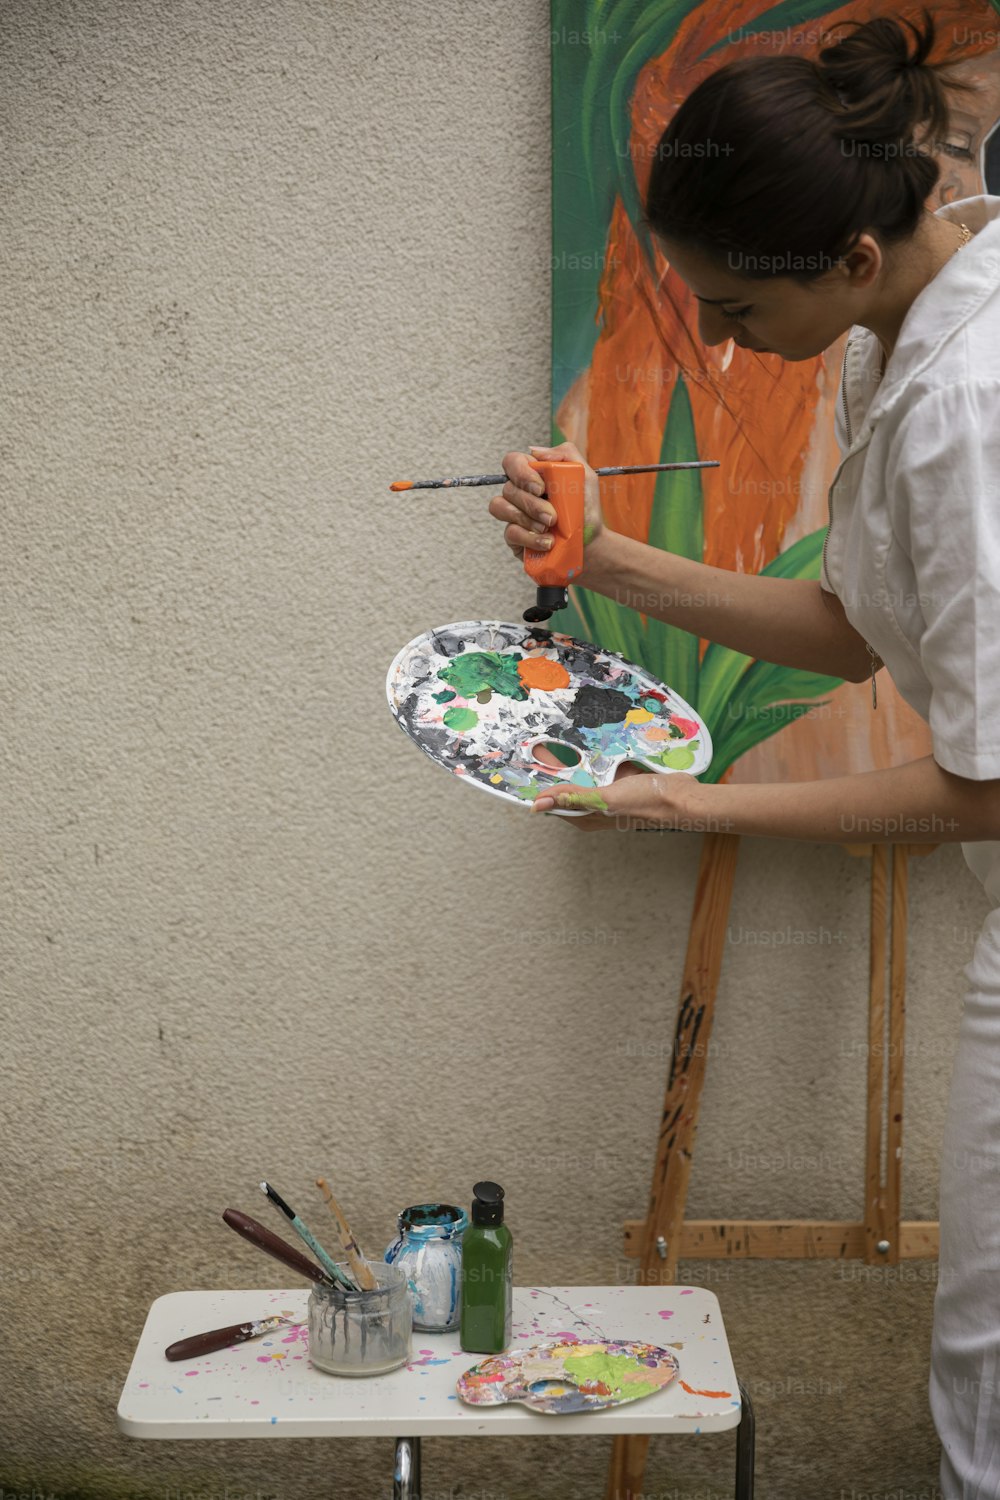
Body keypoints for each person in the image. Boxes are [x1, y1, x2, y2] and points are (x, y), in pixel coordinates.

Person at [489, 12, 1000, 1496]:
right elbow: (852, 631)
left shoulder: (970, 407)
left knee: (986, 1375)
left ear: (849, 255)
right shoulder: (898, 328)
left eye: (733, 309)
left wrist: (693, 802)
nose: (717, 341)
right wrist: (607, 559)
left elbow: (991, 782)